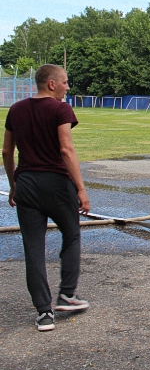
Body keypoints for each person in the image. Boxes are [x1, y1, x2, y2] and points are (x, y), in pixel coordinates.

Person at [3, 64, 91, 331]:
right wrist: (81, 189)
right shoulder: (60, 109)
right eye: (65, 82)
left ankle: (44, 313)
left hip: (26, 183)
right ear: (51, 84)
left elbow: (7, 152)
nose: (67, 87)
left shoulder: (16, 109)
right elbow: (66, 149)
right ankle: (67, 294)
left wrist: (13, 185)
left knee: (33, 247)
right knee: (72, 234)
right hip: (56, 183)